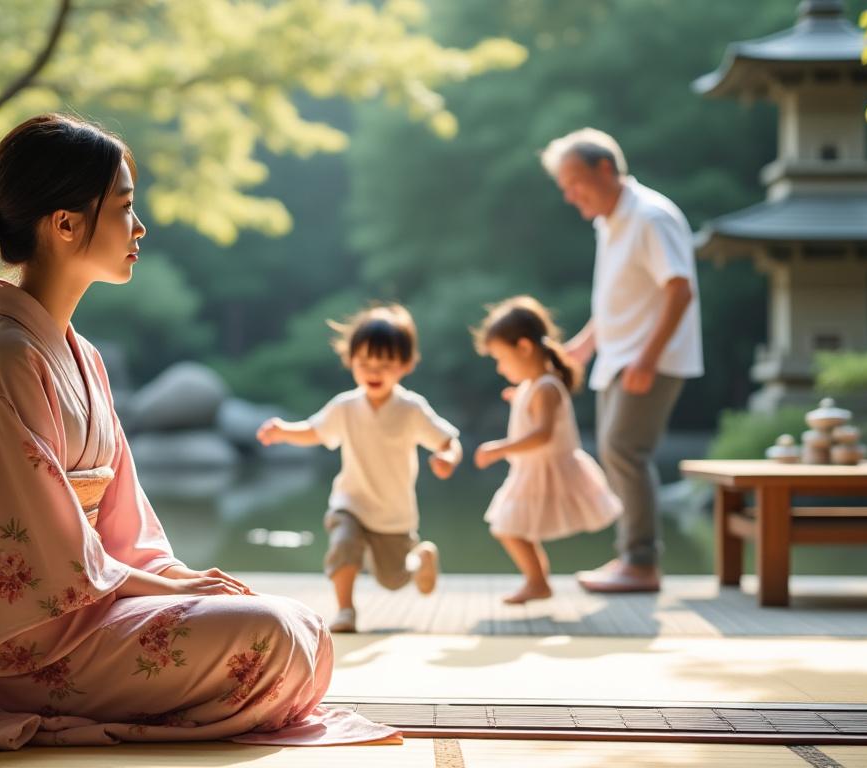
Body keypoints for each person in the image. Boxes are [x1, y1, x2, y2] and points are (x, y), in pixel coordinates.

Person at [0, 113, 395, 748]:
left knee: (300, 627)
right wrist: (171, 587)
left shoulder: (79, 354)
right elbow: (36, 561)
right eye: (124, 208)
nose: (139, 228)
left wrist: (172, 580)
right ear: (64, 224)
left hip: (80, 610)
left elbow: (122, 526)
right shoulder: (5, 355)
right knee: (271, 638)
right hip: (13, 646)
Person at [540, 128, 703, 593]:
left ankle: (641, 562)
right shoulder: (608, 221)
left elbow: (679, 289)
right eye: (565, 188)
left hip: (649, 358)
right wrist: (584, 346)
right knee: (616, 452)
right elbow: (617, 298)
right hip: (621, 356)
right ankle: (631, 557)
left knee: (624, 451)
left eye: (575, 183)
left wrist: (648, 359)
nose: (570, 196)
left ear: (606, 169)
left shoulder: (651, 217)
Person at [257, 304, 463, 633]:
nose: (374, 371)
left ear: (406, 364)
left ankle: (419, 560)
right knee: (343, 544)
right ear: (351, 361)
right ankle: (346, 610)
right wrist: (284, 430)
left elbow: (448, 440)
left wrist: (447, 458)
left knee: (393, 580)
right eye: (365, 362)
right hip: (350, 502)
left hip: (393, 514)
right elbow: (315, 430)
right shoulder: (346, 406)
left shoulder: (411, 409)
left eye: (385, 363)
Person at [473, 296, 623, 604]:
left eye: (502, 359)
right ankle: (537, 581)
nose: (500, 368)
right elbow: (535, 416)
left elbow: (542, 434)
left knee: (508, 527)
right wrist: (520, 399)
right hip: (531, 470)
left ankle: (537, 581)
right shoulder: (534, 386)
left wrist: (500, 449)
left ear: (525, 348)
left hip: (545, 469)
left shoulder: (546, 387)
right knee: (511, 526)